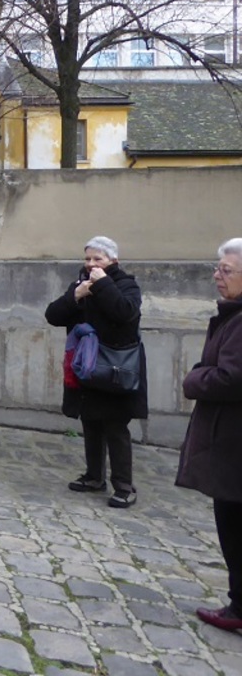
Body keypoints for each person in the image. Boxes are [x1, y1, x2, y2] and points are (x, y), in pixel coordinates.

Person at [45, 235, 146, 508]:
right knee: (90, 421)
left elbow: (125, 313)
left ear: (113, 260)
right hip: (86, 365)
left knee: (115, 426)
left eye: (97, 259)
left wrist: (103, 285)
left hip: (114, 366)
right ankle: (94, 477)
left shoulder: (126, 285)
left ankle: (124, 486)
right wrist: (75, 296)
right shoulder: (80, 284)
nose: (91, 263)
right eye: (87, 258)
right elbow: (53, 315)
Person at [177, 238, 242, 632]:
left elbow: (231, 377)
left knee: (234, 525)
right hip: (231, 441)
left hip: (234, 445)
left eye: (226, 270)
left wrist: (194, 379)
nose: (217, 276)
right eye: (217, 268)